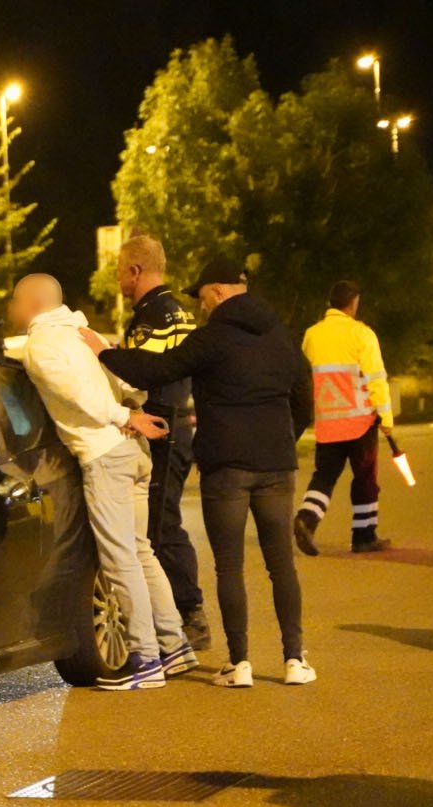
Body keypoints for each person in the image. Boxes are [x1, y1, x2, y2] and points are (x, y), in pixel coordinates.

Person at [92, 255, 315, 689]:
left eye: (203, 297)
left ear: (216, 291)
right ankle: (294, 660)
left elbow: (156, 369)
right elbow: (304, 398)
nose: (202, 306)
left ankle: (241, 664)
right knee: (281, 565)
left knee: (229, 567)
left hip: (226, 467)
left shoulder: (213, 338)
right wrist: (283, 438)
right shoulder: (282, 336)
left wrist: (103, 352)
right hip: (275, 466)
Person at [9, 273, 192, 690]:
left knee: (119, 559)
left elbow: (77, 395)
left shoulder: (40, 346)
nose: (11, 308)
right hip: (132, 451)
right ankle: (175, 646)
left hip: (104, 454)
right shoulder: (83, 332)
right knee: (141, 552)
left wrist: (122, 416)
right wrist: (130, 411)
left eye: (15, 300)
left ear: (35, 302)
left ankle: (145, 660)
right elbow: (129, 382)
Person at [115, 235, 209, 648]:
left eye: (120, 270)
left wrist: (104, 354)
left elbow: (142, 374)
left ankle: (190, 612)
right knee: (161, 521)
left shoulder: (157, 316)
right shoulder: (177, 312)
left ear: (135, 271)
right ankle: (177, 612)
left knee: (161, 524)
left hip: (164, 431)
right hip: (174, 426)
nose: (118, 279)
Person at [295, 280, 394, 556]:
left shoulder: (312, 335)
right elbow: (376, 378)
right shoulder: (361, 334)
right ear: (354, 302)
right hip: (360, 421)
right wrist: (386, 417)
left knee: (324, 476)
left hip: (327, 421)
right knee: (364, 478)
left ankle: (306, 518)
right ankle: (364, 536)